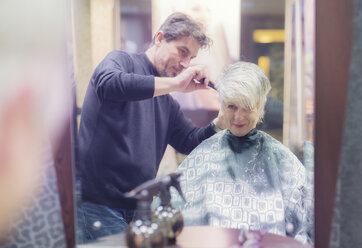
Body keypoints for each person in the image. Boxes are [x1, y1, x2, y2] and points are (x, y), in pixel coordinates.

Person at [77, 12, 225, 242]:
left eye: (191, 57)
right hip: (99, 204)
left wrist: (222, 121)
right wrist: (175, 84)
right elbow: (108, 83)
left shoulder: (167, 101)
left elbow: (189, 141)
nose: (185, 63)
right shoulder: (121, 61)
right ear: (159, 38)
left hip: (139, 210)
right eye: (182, 51)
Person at [169, 62, 313, 244]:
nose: (238, 117)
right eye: (232, 107)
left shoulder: (281, 158)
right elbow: (171, 216)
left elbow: (306, 222)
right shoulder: (203, 156)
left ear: (261, 106)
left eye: (247, 107)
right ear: (222, 105)